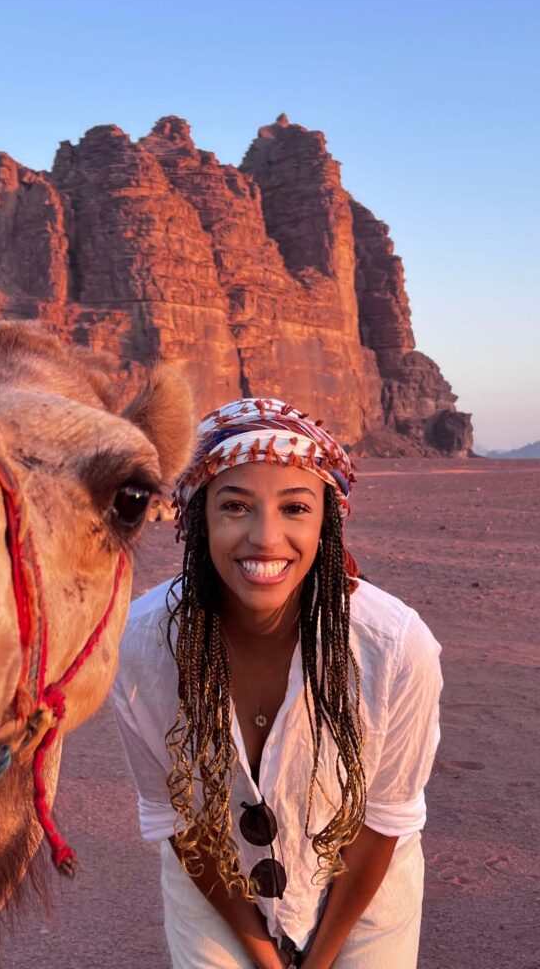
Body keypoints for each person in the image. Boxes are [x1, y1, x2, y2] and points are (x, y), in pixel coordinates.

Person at [111, 398, 442, 969]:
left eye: (295, 508)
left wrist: (317, 961)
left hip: (361, 884)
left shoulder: (393, 648)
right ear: (198, 521)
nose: (266, 538)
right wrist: (265, 958)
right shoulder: (144, 646)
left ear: (325, 523)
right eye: (236, 506)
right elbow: (182, 822)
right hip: (215, 872)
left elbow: (383, 820)